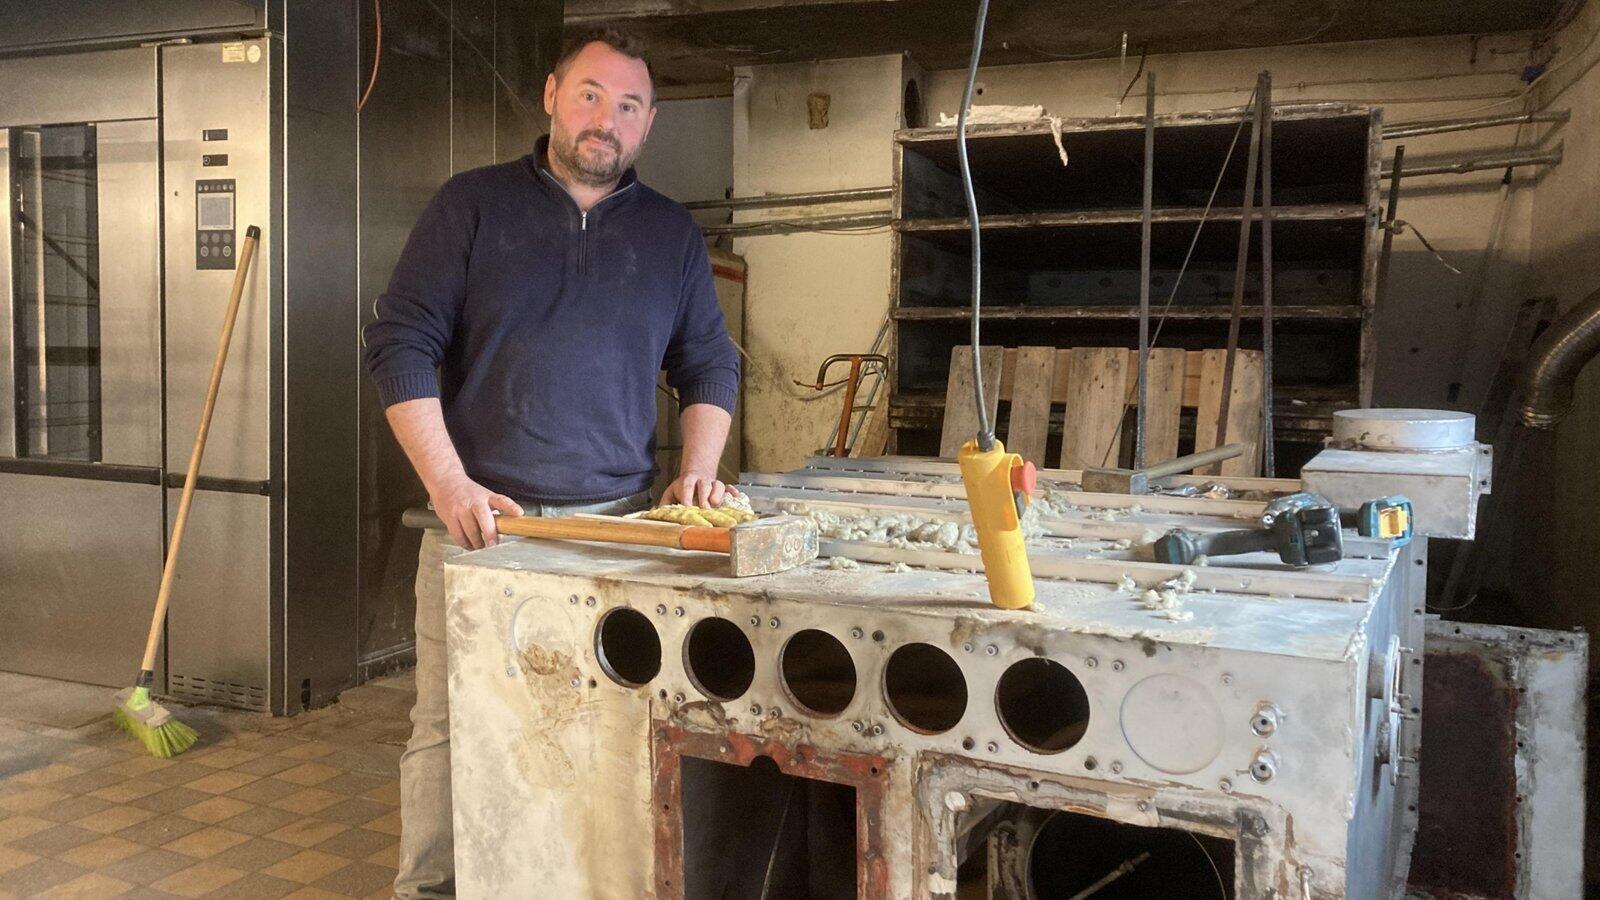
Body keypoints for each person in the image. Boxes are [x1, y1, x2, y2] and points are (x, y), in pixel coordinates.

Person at [361, 27, 740, 898]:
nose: (606, 119)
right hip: (481, 527)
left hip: (617, 533)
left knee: (608, 729)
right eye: (590, 95)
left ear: (649, 122)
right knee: (450, 729)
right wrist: (448, 483)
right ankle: (430, 890)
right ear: (551, 96)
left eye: (629, 105)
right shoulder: (471, 205)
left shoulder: (672, 234)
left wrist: (699, 468)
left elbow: (709, 363)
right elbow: (400, 343)